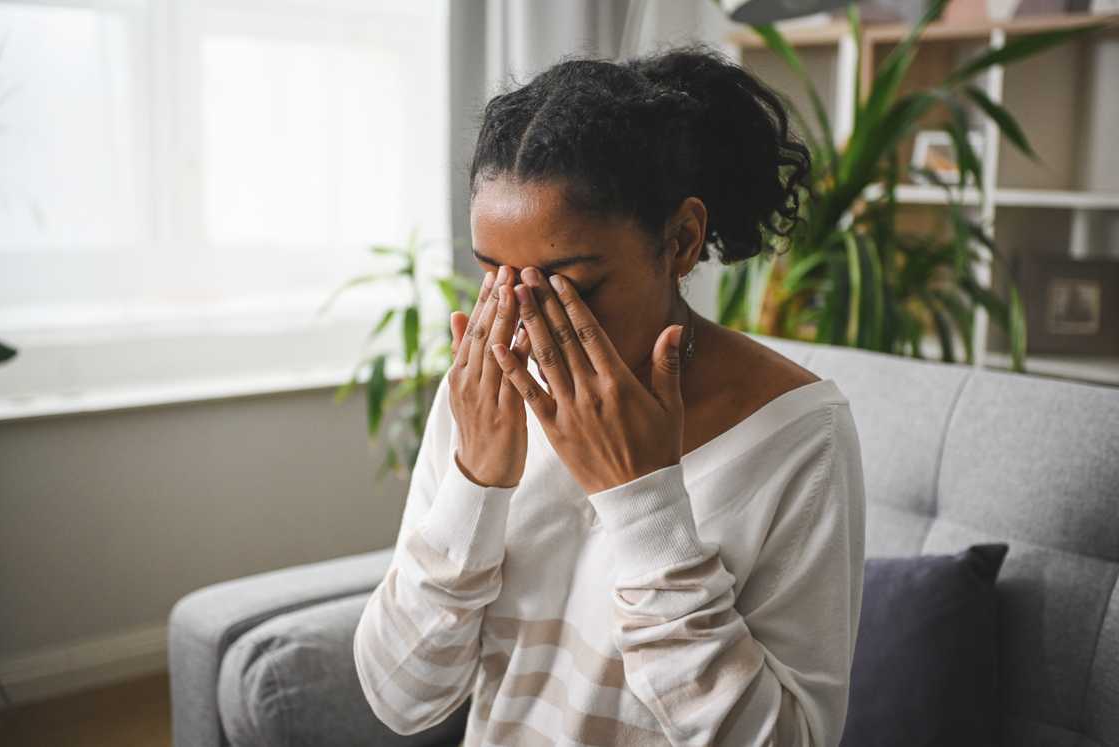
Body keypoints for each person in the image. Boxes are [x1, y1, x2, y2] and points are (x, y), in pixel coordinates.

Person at [354, 42, 866, 746]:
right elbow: (400, 695)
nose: (524, 324)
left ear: (681, 240)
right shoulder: (482, 397)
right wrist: (475, 484)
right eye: (496, 276)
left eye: (572, 285)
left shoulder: (799, 437)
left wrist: (644, 504)